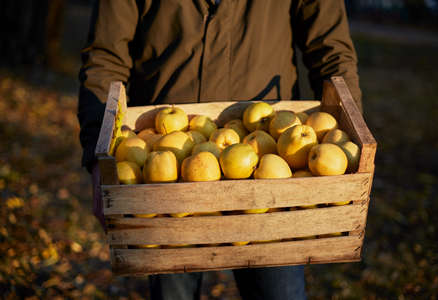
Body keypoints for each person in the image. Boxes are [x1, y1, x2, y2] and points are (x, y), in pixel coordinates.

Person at [78, 1, 362, 299]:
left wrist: (351, 135)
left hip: (273, 167)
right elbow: (105, 57)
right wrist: (100, 155)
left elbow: (332, 50)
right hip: (163, 171)